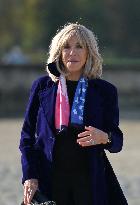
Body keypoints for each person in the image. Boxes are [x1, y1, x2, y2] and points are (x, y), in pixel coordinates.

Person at [19, 23, 128, 205]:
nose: (73, 52)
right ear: (59, 52)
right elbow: (27, 137)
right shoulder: (41, 87)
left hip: (89, 183)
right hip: (49, 179)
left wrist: (104, 137)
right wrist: (30, 175)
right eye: (66, 47)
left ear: (89, 52)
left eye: (79, 46)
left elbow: (117, 141)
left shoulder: (105, 91)